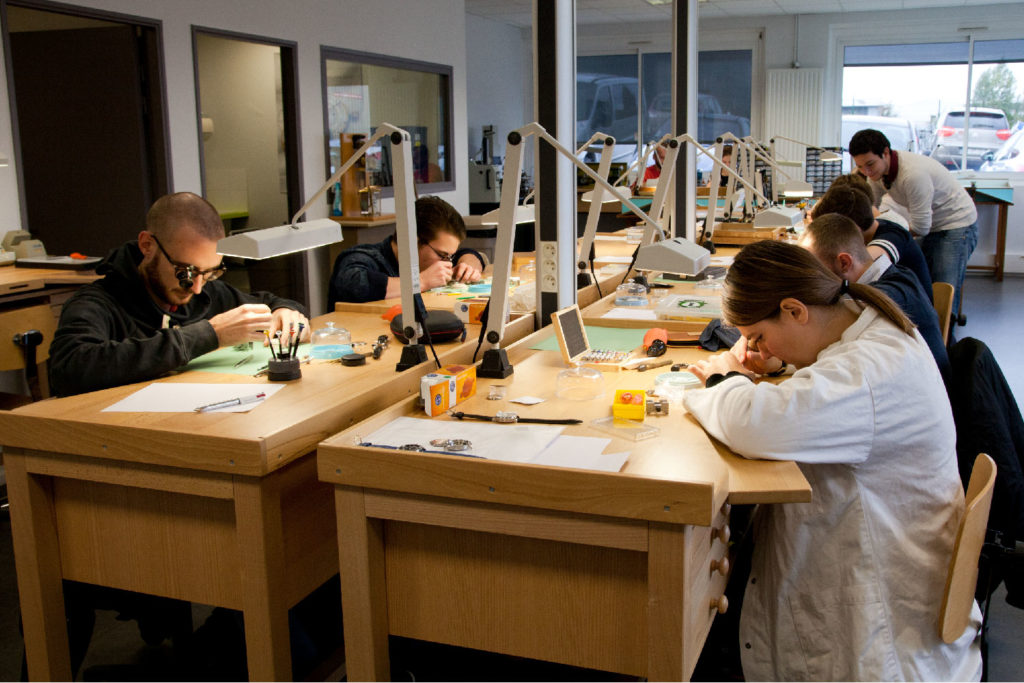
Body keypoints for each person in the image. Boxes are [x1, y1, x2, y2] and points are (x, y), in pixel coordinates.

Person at [682, 240, 981, 682]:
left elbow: (757, 425)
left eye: (758, 336)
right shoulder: (869, 323)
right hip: (897, 559)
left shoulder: (867, 371)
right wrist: (774, 364)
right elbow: (813, 396)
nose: (760, 349)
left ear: (795, 310)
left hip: (886, 631)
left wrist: (724, 380)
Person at [49, 192, 309, 397]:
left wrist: (285, 312)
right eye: (185, 271)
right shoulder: (97, 304)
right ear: (147, 246)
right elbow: (69, 368)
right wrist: (209, 335)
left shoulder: (204, 293)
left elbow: (269, 301)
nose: (196, 287)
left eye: (209, 273)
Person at [801, 212, 950, 382]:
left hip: (918, 393)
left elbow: (829, 352)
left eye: (817, 270)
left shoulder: (876, 300)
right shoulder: (896, 275)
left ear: (844, 263)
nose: (814, 277)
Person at [849, 128, 978, 316]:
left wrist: (889, 238)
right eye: (860, 167)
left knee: (943, 288)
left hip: (956, 224)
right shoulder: (876, 174)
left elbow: (920, 227)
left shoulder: (913, 175)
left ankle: (946, 339)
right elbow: (869, 211)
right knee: (925, 285)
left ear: (885, 153)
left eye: (870, 164)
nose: (866, 172)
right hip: (934, 223)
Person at [328, 195, 485, 305]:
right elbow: (355, 284)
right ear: (412, 240)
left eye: (450, 256)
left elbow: (472, 255)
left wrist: (468, 266)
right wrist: (421, 281)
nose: (447, 263)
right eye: (443, 255)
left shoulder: (438, 254)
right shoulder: (361, 259)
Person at [811, 179, 933, 297]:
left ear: (853, 227)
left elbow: (862, 261)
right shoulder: (875, 229)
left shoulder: (893, 236)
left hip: (909, 311)